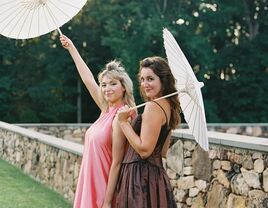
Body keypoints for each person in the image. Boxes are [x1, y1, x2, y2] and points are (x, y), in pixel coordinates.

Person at [60, 35, 136, 208]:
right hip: (88, 182)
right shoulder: (105, 109)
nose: (107, 89)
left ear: (123, 86)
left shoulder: (124, 116)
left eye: (113, 84)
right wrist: (71, 47)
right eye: (104, 85)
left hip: (105, 187)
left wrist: (107, 202)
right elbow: (88, 79)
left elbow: (117, 162)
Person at [113, 56, 181, 207]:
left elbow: (144, 151)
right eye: (142, 79)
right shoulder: (170, 107)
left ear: (163, 80)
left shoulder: (153, 106)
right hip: (155, 179)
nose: (145, 84)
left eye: (150, 79)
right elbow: (162, 151)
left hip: (139, 179)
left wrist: (123, 123)